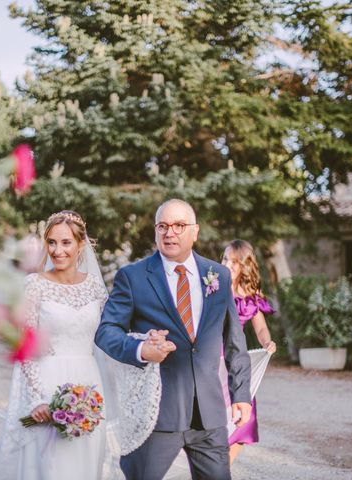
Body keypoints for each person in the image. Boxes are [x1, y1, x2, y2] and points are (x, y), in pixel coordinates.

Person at [95, 199, 253, 480]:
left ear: (195, 231)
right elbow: (106, 332)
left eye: (179, 225)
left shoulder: (219, 275)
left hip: (209, 416)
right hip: (156, 414)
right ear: (156, 231)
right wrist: (142, 349)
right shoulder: (132, 277)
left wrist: (240, 395)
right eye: (163, 226)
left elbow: (234, 341)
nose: (170, 233)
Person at [0, 210, 113, 480]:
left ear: (80, 245)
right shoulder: (34, 285)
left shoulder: (95, 287)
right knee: (51, 467)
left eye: (66, 242)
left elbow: (109, 333)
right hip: (48, 384)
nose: (57, 250)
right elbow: (25, 346)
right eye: (51, 242)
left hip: (90, 386)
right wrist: (37, 398)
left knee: (85, 463)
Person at [221, 239, 276, 465]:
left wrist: (267, 342)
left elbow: (260, 327)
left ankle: (225, 468)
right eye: (225, 259)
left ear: (244, 266)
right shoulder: (212, 287)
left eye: (234, 262)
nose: (227, 265)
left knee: (244, 417)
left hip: (235, 360)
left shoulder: (249, 298)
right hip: (213, 358)